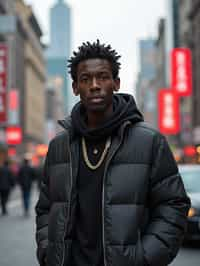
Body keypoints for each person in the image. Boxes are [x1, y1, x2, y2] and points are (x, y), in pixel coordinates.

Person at [35, 40, 190, 266]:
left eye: (103, 77)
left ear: (116, 83)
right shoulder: (60, 146)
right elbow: (46, 208)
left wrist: (144, 258)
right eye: (85, 79)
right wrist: (49, 253)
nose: (95, 85)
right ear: (75, 88)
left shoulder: (149, 142)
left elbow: (173, 205)